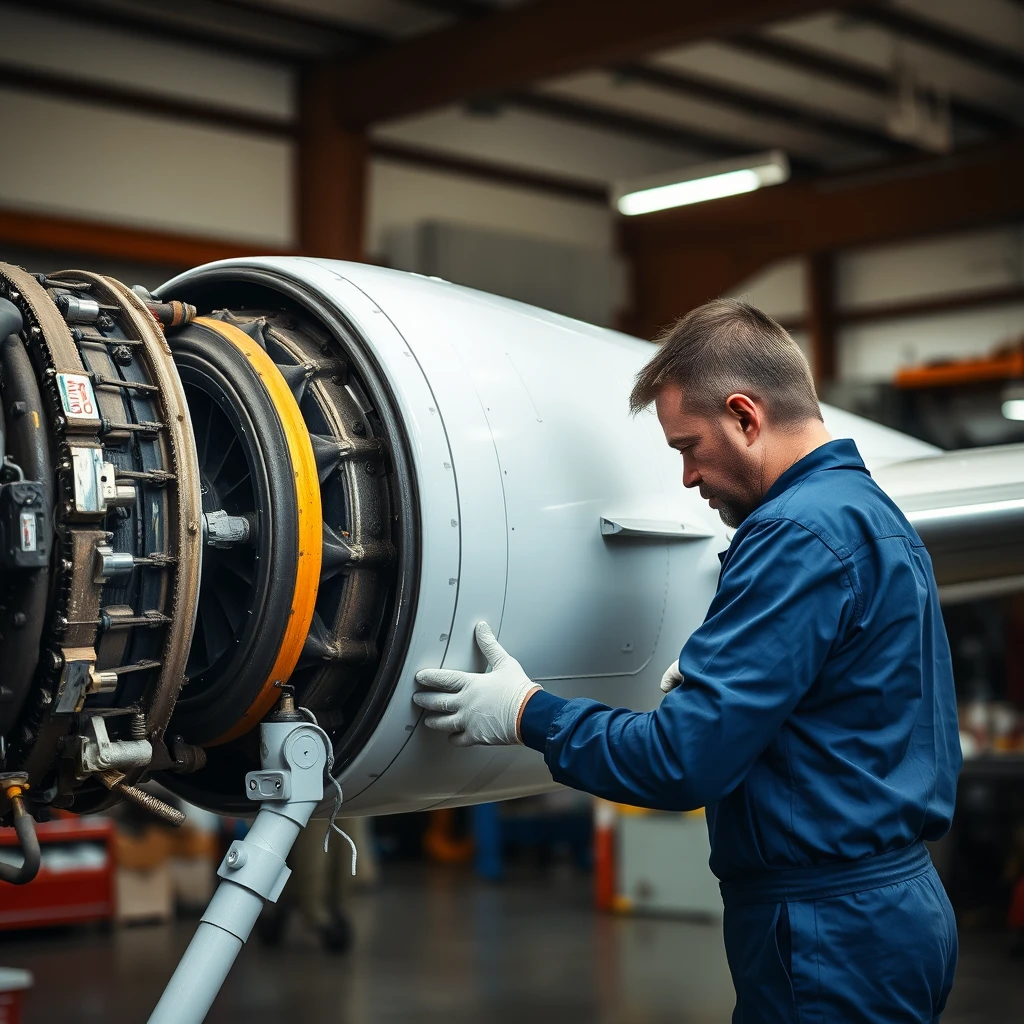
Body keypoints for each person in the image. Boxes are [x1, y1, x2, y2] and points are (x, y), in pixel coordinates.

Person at [413, 300, 962, 1023]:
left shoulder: (793, 535)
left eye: (688, 446)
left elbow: (680, 764)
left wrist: (527, 713)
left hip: (829, 932)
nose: (686, 478)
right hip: (888, 912)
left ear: (745, 416)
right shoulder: (866, 511)